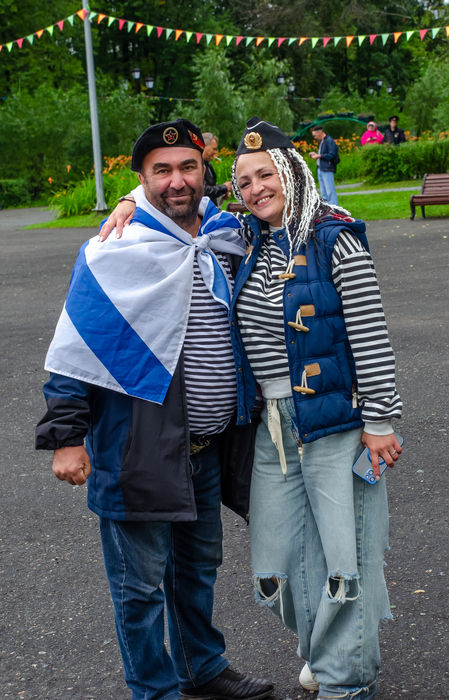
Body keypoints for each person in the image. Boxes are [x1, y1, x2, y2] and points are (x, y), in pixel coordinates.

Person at [103, 116, 403, 700]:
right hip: (271, 429)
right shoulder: (245, 236)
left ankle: (346, 679)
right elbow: (178, 198)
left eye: (266, 175)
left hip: (336, 423)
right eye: (243, 181)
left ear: (292, 172)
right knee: (277, 558)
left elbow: (370, 335)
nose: (255, 188)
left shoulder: (334, 237)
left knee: (346, 555)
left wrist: (380, 420)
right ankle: (323, 648)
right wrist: (129, 200)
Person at [35, 118, 274, 700]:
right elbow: (76, 349)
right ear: (141, 180)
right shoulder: (114, 248)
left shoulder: (226, 234)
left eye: (188, 166)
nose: (176, 180)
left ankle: (201, 668)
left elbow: (282, 194)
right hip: (136, 448)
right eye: (160, 170)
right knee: (138, 586)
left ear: (204, 171)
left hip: (209, 446)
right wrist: (66, 437)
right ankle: (154, 690)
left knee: (198, 569)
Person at [309, 124, 340, 205]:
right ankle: (326, 208)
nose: (315, 138)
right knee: (323, 192)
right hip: (321, 168)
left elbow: (332, 154)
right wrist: (316, 154)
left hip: (327, 168)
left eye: (315, 135)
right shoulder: (321, 141)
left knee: (330, 191)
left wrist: (319, 156)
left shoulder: (329, 140)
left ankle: (334, 207)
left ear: (320, 132)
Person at [202, 132, 233, 206]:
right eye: (213, 149)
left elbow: (210, 188)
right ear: (204, 146)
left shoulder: (208, 165)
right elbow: (203, 190)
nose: (215, 152)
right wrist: (224, 188)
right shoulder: (196, 166)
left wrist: (222, 194)